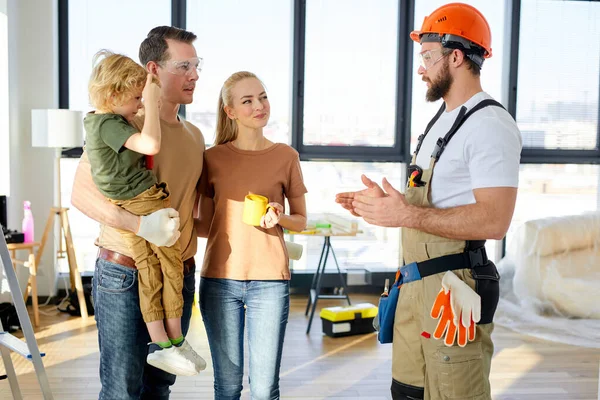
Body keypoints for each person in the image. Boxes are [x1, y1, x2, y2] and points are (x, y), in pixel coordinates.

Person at [335, 3, 522, 400]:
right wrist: (388, 204)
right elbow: (436, 200)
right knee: (407, 392)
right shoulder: (442, 119)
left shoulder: (490, 125)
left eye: (427, 56)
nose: (420, 68)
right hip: (415, 286)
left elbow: (494, 220)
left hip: (455, 293)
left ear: (456, 56)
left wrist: (404, 212)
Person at [71, 26, 206, 399]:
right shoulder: (121, 125)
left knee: (159, 385)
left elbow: (191, 208)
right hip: (125, 273)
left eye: (197, 65)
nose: (194, 75)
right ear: (153, 71)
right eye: (183, 66)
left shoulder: (195, 135)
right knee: (123, 388)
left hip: (179, 270)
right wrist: (141, 226)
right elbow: (80, 195)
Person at [195, 71, 308, 400]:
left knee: (263, 389)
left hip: (270, 283)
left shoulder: (286, 156)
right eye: (248, 100)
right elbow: (204, 225)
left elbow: (300, 221)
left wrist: (279, 216)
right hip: (219, 281)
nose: (259, 105)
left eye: (263, 96)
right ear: (230, 111)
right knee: (227, 387)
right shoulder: (212, 158)